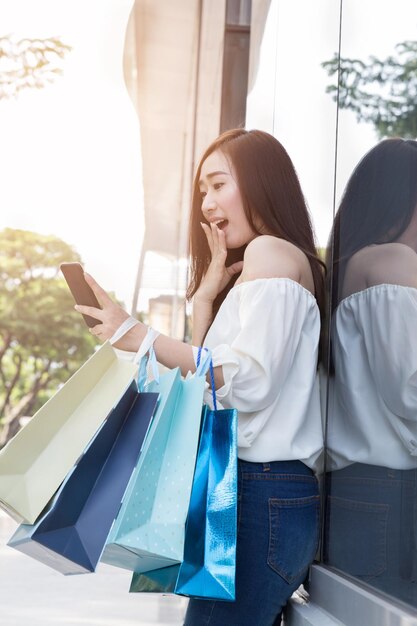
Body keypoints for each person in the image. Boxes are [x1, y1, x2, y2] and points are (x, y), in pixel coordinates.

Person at [75, 128, 325, 625]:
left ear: (261, 182)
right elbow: (210, 387)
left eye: (218, 184)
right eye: (202, 191)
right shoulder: (266, 262)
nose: (207, 203)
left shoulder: (270, 252)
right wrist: (205, 299)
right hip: (255, 490)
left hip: (258, 493)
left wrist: (142, 336)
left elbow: (248, 383)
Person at [325, 138, 417, 606]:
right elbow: (411, 390)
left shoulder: (351, 263)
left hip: (359, 491)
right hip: (392, 494)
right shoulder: (394, 261)